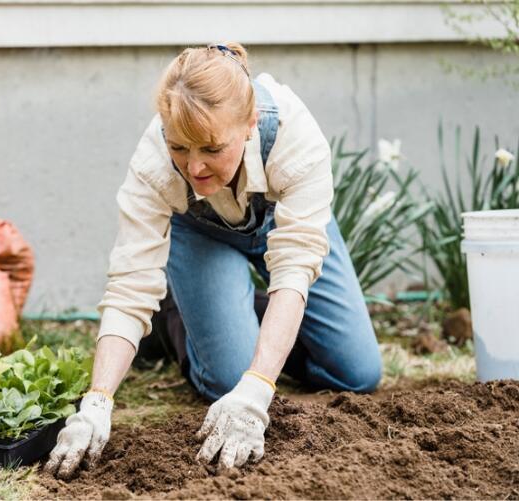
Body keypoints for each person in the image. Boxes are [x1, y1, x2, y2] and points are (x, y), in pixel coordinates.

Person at [45, 42, 382, 479]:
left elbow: (295, 267)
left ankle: (230, 313)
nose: (195, 167)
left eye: (210, 147)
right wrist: (97, 402)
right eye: (180, 148)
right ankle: (175, 318)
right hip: (199, 235)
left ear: (249, 124)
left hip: (285, 226)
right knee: (227, 381)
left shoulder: (294, 137)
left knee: (357, 373)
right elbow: (130, 287)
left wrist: (259, 387)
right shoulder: (153, 165)